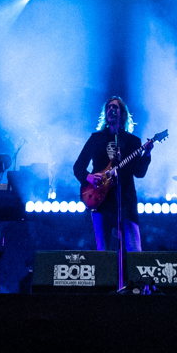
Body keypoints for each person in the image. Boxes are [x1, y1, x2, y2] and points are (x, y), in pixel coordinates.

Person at [72, 96, 149, 253]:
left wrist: (146, 154)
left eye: (115, 107)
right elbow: (78, 167)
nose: (111, 109)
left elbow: (139, 173)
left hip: (125, 201)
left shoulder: (133, 141)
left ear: (123, 114)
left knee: (134, 249)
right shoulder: (96, 139)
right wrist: (89, 177)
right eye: (109, 107)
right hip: (100, 200)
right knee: (104, 252)